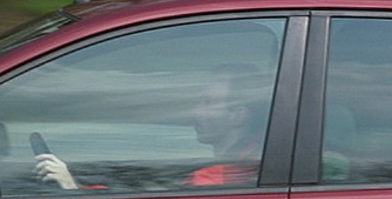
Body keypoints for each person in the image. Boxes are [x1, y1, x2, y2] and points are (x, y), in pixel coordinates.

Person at [34, 63, 269, 190]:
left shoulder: (215, 180)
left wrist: (71, 189)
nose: (197, 111)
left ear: (238, 115)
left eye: (208, 103)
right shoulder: (268, 152)